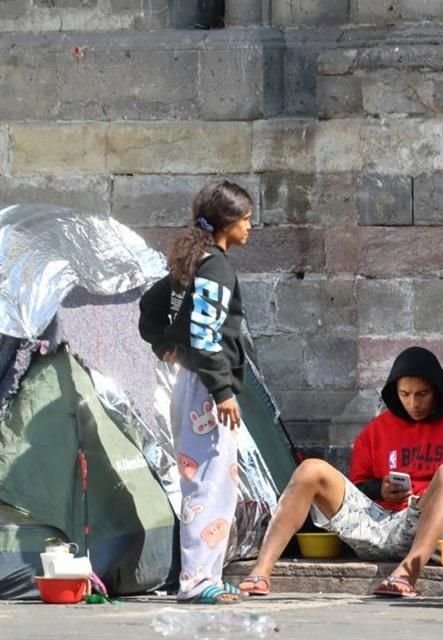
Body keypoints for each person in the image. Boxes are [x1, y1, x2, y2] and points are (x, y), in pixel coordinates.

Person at [237, 346, 443, 599]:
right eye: (405, 394)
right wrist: (381, 489)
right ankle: (261, 572)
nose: (414, 403)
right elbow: (358, 486)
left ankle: (408, 572)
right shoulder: (377, 429)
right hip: (372, 522)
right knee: (310, 468)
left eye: (422, 394)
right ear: (394, 393)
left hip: (426, 526)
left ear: (438, 391)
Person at [139, 180, 255, 604]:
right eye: (246, 218)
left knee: (212, 482)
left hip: (193, 383)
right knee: (208, 484)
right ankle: (196, 580)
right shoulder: (217, 267)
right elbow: (207, 335)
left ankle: (205, 573)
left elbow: (150, 307)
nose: (250, 226)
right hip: (207, 390)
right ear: (227, 224)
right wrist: (222, 391)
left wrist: (165, 344)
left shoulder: (193, 262)